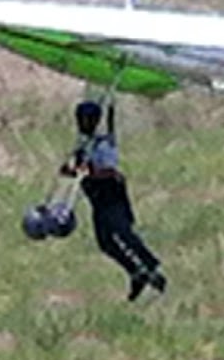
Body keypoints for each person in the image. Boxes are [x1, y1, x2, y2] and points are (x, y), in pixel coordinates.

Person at [61, 99, 167, 301]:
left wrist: (86, 171)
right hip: (98, 200)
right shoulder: (83, 144)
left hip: (112, 197)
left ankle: (151, 266)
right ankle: (136, 272)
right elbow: (81, 169)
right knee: (105, 242)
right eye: (80, 120)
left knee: (124, 233)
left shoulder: (104, 144)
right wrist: (71, 171)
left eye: (87, 120)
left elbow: (109, 171)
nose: (83, 124)